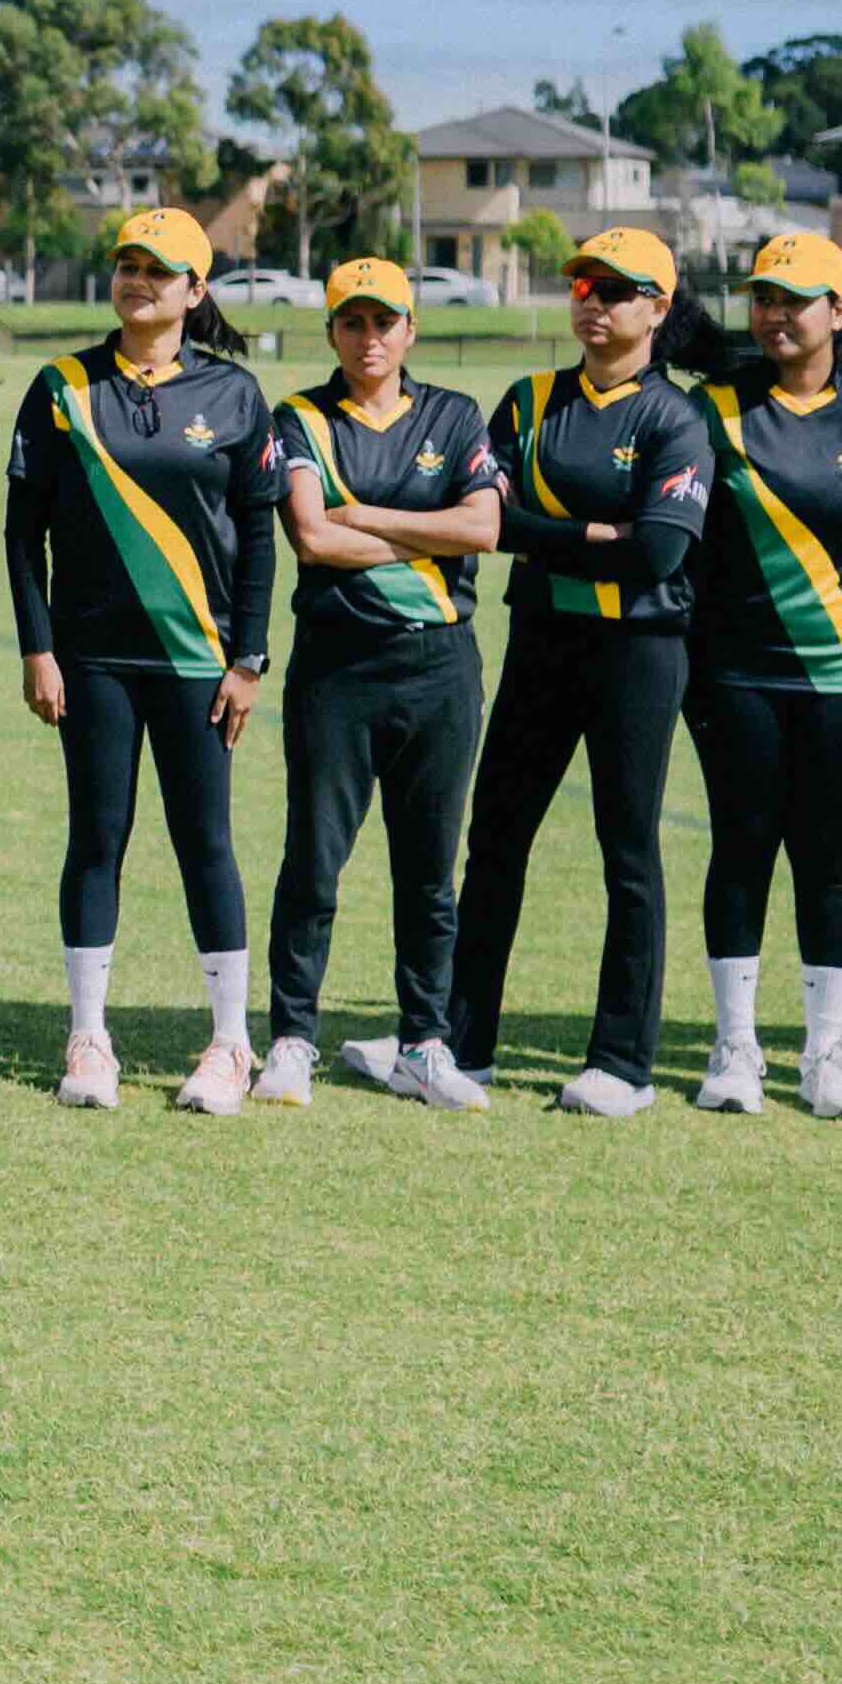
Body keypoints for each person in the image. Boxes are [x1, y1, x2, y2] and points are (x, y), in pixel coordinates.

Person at [3, 208, 280, 1114]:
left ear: (196, 291)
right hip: (93, 664)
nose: (139, 281)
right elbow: (22, 532)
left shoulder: (236, 395)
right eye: (128, 265)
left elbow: (258, 534)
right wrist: (39, 649)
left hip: (200, 663)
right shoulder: (62, 387)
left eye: (160, 271)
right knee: (97, 838)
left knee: (207, 843)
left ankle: (232, 1046)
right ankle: (88, 1039)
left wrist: (248, 657)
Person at [446, 228, 721, 1119]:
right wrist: (594, 537)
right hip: (540, 642)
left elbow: (662, 552)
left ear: (658, 307)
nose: (594, 302)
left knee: (628, 849)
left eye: (617, 289)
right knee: (495, 839)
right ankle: (462, 1044)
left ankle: (622, 1064)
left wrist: (553, 540)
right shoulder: (528, 402)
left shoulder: (677, 418)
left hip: (640, 651)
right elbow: (487, 523)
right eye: (584, 286)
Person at [685, 232, 842, 1119]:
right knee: (742, 848)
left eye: (796, 300)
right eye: (763, 298)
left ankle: (825, 1057)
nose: (777, 315)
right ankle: (735, 1048)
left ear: (840, 312)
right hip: (733, 672)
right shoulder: (712, 408)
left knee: (826, 860)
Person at [257, 260, 506, 1110]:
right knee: (315, 863)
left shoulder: (453, 414)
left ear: (411, 328)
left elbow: (484, 526)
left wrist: (366, 514)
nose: (370, 339)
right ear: (332, 330)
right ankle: (291, 1037)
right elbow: (313, 540)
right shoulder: (300, 417)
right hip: (338, 666)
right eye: (352, 323)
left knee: (431, 872)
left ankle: (424, 1043)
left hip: (441, 666)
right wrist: (424, 536)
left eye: (385, 322)